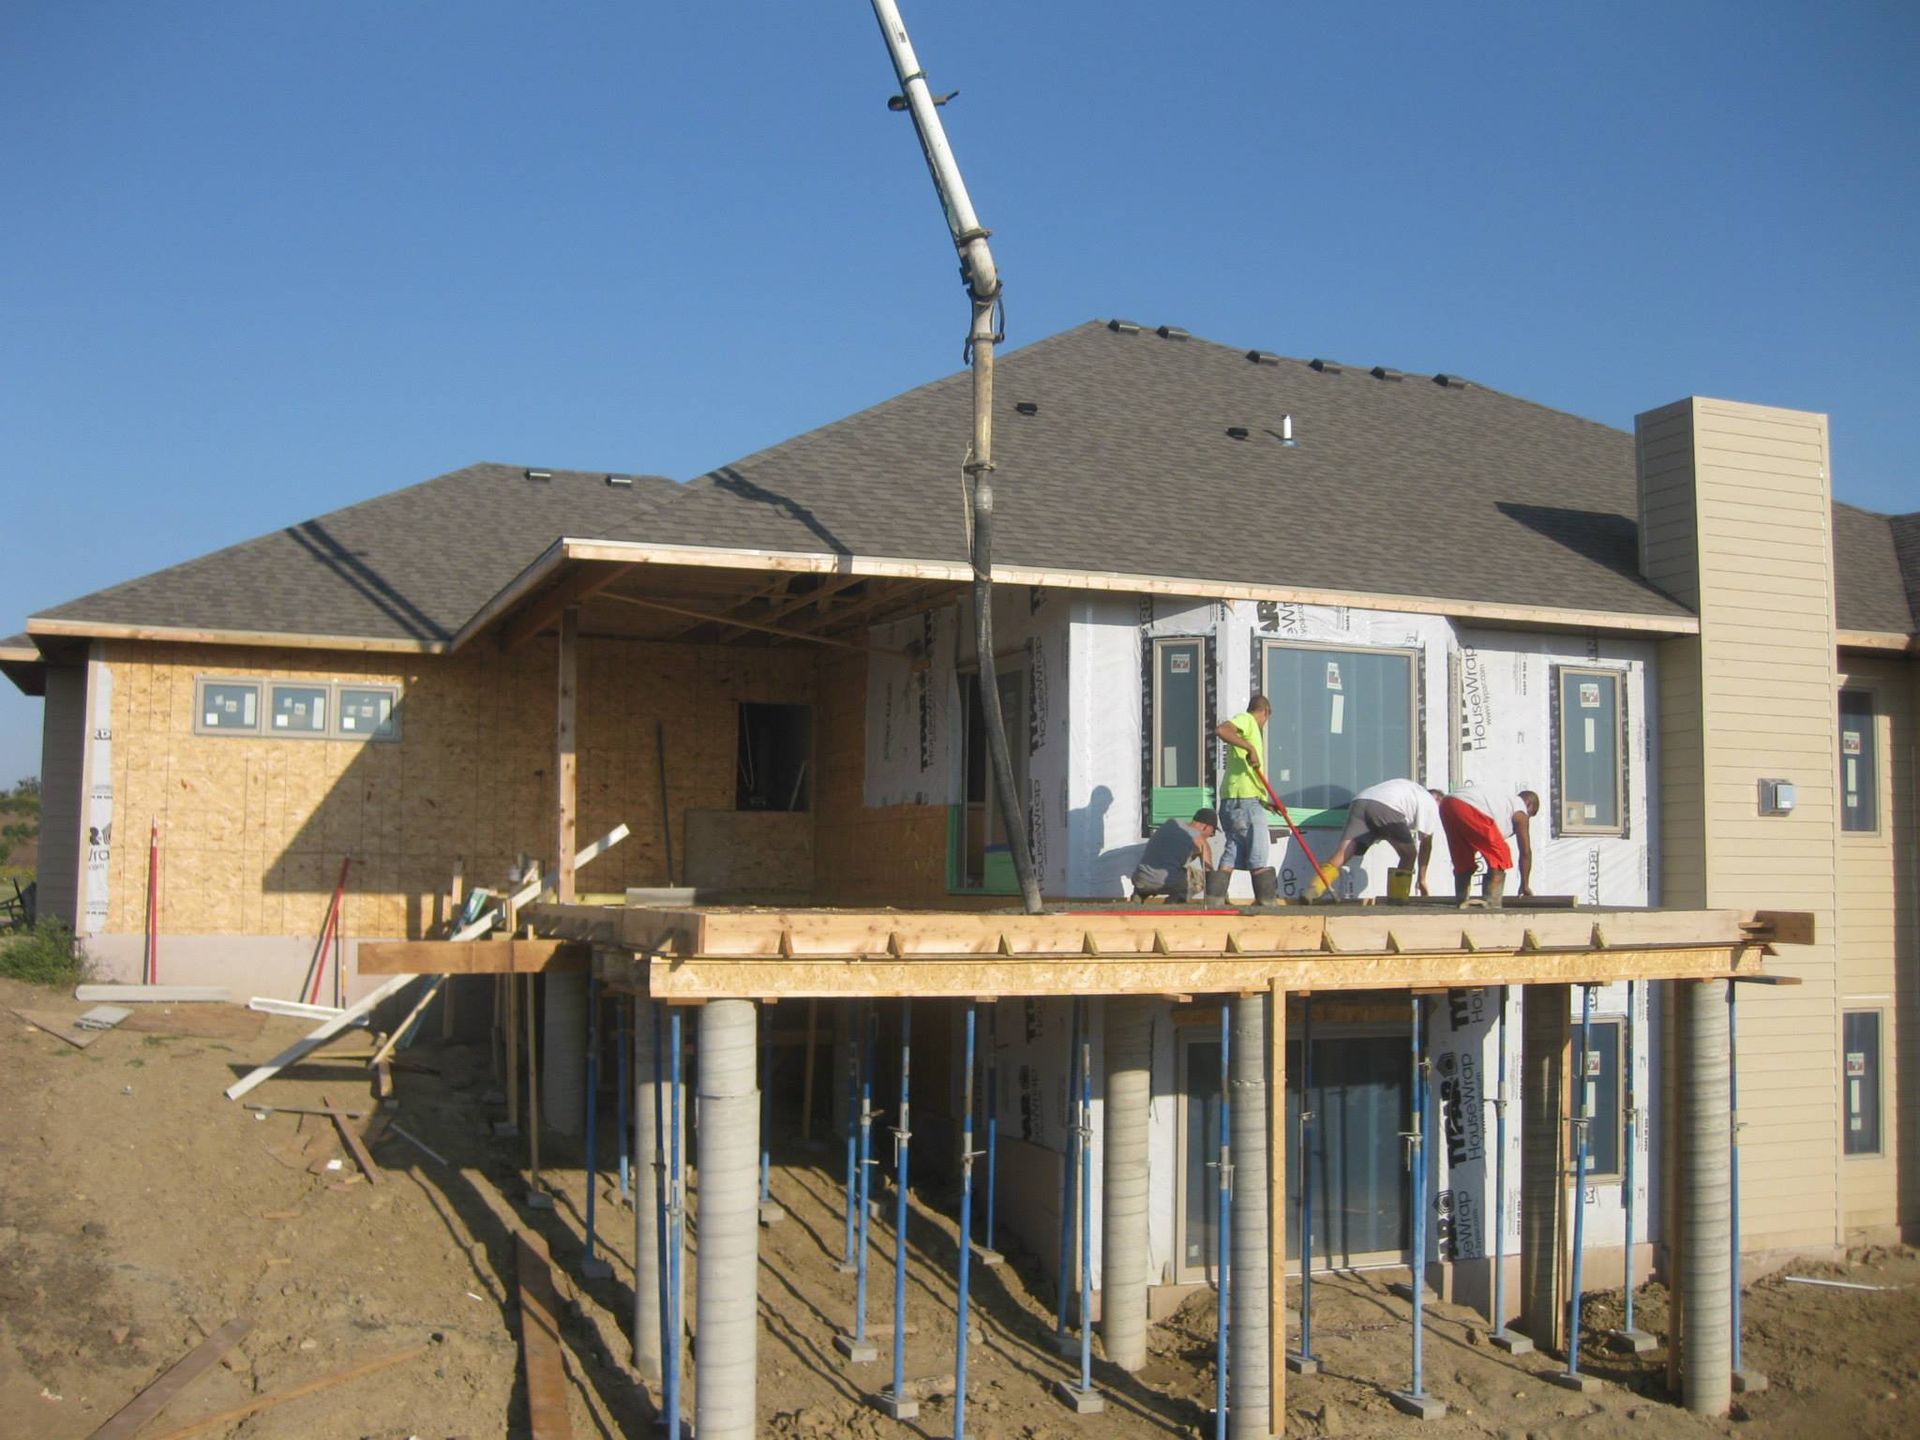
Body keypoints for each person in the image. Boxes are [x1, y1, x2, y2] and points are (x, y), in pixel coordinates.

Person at [1316, 778, 1443, 897]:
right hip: (1386, 807)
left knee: (1343, 853)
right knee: (1409, 854)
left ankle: (1314, 888)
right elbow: (1426, 844)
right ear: (1437, 799)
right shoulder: (1431, 803)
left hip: (1360, 801)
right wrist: (1421, 880)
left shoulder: (1411, 790)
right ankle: (1397, 900)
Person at [1210, 695, 1280, 904]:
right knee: (1258, 850)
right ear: (1265, 712)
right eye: (1265, 720)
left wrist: (1264, 800)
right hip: (1244, 801)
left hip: (1235, 799)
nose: (1263, 725)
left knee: (1234, 847)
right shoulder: (1248, 720)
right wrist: (1250, 748)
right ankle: (1266, 901)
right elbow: (1222, 730)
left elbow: (1245, 772)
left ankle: (1215, 898)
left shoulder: (1247, 729)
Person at [1438, 784, 1540, 905]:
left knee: (1462, 855)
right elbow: (1525, 852)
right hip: (1468, 805)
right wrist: (1525, 884)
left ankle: (1461, 900)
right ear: (1529, 804)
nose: (1527, 819)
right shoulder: (1520, 810)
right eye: (1531, 814)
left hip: (1447, 804)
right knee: (1500, 855)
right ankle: (1492, 903)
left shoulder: (1502, 803)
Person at [1131, 807, 1218, 902]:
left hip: (1140, 879)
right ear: (1206, 827)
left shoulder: (1170, 823)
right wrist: (1220, 893)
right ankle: (1176, 899)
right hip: (1164, 882)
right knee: (1201, 879)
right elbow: (1209, 874)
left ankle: (1139, 894)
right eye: (1212, 832)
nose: (1210, 836)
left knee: (1162, 868)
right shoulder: (1201, 842)